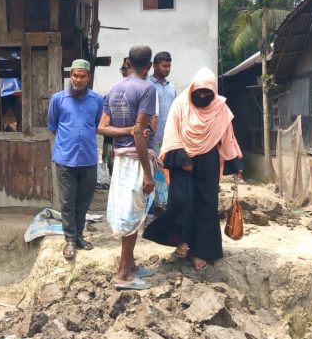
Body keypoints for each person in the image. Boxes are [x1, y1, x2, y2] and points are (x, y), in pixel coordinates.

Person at [143, 67, 243, 272]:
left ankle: (200, 251)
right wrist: (183, 158)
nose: (204, 96)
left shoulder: (220, 108)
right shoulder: (180, 104)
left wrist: (235, 164)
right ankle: (181, 240)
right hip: (183, 161)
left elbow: (227, 136)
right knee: (181, 202)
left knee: (206, 206)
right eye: (200, 92)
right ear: (192, 90)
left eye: (209, 92)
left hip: (209, 161)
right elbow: (171, 132)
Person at [99, 45, 157, 290]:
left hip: (119, 158)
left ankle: (131, 265)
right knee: (133, 216)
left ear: (129, 63)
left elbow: (102, 128)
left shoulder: (113, 88)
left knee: (127, 212)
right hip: (135, 159)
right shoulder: (147, 89)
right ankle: (124, 274)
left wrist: (126, 130)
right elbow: (140, 134)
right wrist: (147, 172)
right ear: (149, 66)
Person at [48, 59, 103, 259]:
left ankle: (79, 236)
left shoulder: (97, 100)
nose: (78, 80)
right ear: (70, 76)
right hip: (65, 160)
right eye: (75, 76)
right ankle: (70, 239)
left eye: (82, 76)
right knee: (67, 202)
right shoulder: (58, 99)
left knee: (83, 201)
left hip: (88, 159)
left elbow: (97, 124)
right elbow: (52, 125)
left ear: (88, 77)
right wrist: (68, 143)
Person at [149, 52, 176, 211]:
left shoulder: (172, 87)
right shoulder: (148, 86)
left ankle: (161, 206)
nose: (167, 69)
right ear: (154, 65)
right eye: (164, 66)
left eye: (169, 66)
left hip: (168, 141)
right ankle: (150, 209)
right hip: (152, 140)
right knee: (150, 175)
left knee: (164, 175)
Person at [101, 57, 132, 174]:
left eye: (127, 68)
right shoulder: (113, 91)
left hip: (133, 145)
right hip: (111, 142)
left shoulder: (145, 91)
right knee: (115, 174)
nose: (125, 72)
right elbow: (103, 123)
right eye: (123, 69)